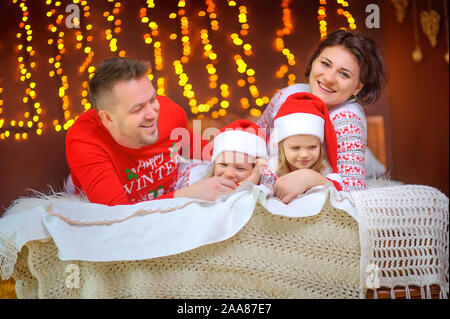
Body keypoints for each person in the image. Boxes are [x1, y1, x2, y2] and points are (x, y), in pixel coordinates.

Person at [65, 57, 237, 205]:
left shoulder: (169, 112)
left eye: (153, 99)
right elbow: (117, 214)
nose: (152, 114)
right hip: (100, 189)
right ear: (109, 118)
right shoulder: (85, 141)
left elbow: (209, 153)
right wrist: (187, 194)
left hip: (162, 189)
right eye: (137, 109)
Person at [257, 29, 387, 201]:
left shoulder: (348, 119)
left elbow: (353, 189)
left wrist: (310, 178)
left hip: (366, 169)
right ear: (314, 62)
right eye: (325, 64)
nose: (329, 78)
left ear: (357, 87)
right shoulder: (285, 97)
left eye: (344, 74)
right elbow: (256, 138)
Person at [260, 92, 342, 202]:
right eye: (295, 148)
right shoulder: (273, 168)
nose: (304, 155)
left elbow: (337, 191)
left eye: (312, 147)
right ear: (281, 147)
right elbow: (264, 196)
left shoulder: (323, 168)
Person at [205, 119, 268, 185]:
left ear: (254, 168)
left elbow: (231, 195)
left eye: (240, 169)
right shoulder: (201, 188)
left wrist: (256, 175)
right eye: (223, 164)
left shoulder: (259, 193)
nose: (229, 174)